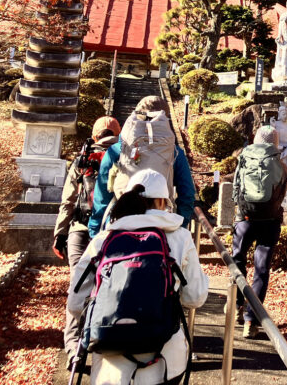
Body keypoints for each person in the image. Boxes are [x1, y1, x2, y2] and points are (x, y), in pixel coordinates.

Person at [68, 169, 208, 385]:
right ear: (163, 200)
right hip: (164, 362)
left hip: (110, 366)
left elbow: (76, 303)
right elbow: (195, 298)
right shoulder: (180, 237)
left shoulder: (104, 239)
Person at [54, 115, 120, 363]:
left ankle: (74, 350)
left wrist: (60, 233)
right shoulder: (123, 156)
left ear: (94, 135)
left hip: (79, 230)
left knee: (78, 285)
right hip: (112, 233)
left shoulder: (82, 159)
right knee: (107, 285)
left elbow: (68, 199)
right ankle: (101, 337)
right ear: (119, 132)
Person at [88, 96, 196, 238]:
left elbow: (102, 196)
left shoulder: (117, 150)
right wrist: (180, 226)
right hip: (160, 225)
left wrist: (95, 231)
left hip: (120, 222)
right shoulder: (174, 152)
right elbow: (187, 194)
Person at [230, 125, 287, 338]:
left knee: (237, 261)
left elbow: (236, 186)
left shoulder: (244, 158)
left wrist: (240, 211)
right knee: (261, 268)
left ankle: (236, 305)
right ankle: (251, 321)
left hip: (245, 219)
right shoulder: (281, 165)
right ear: (275, 141)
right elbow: (282, 194)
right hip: (270, 221)